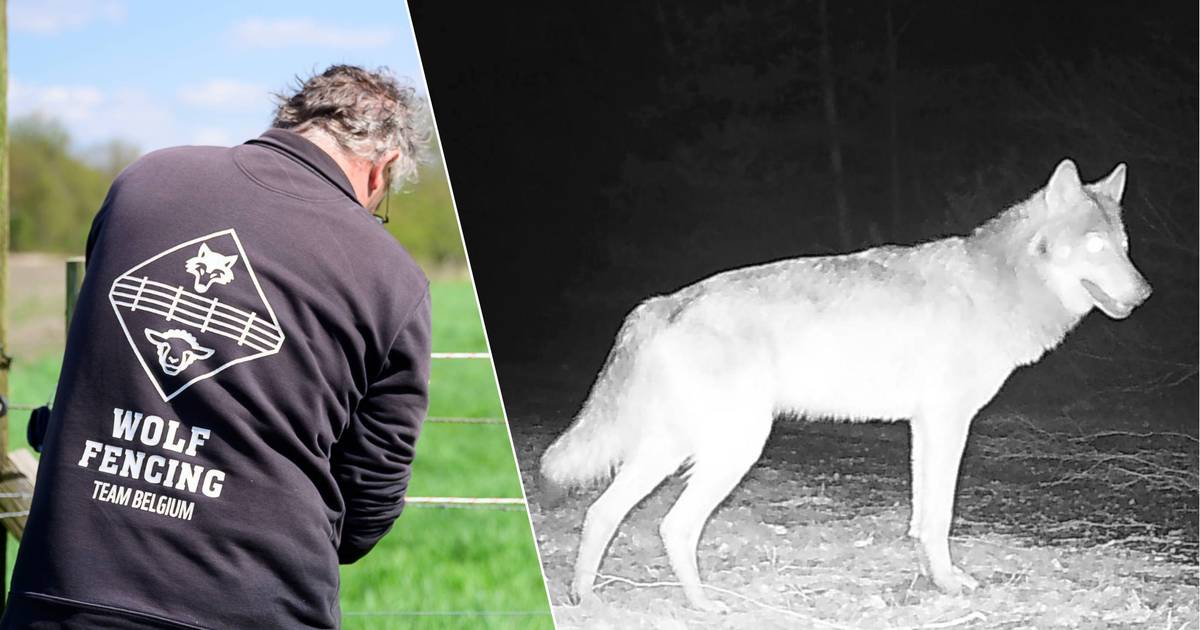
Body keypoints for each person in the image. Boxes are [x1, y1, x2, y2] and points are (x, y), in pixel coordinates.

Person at [1, 65, 433, 629]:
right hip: (253, 607)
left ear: (290, 120)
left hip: (66, 594)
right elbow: (368, 504)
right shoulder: (393, 278)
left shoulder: (146, 180)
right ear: (384, 168)